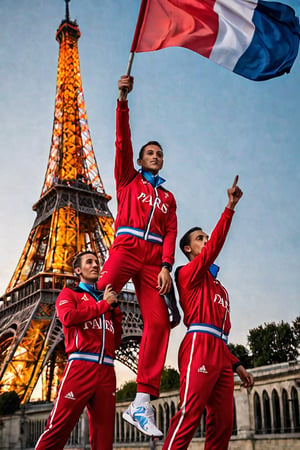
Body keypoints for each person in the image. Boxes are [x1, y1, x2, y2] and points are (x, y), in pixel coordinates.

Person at [96, 75, 178, 438]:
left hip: (151, 262)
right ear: (141, 159)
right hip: (126, 248)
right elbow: (121, 142)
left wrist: (165, 265)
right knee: (98, 291)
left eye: (160, 154)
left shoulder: (168, 198)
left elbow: (172, 231)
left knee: (158, 324)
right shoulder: (127, 179)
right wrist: (122, 101)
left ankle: (141, 401)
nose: (156, 157)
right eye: (151, 153)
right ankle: (92, 353)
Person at [162, 176, 254, 450]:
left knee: (224, 423)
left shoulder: (220, 289)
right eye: (200, 238)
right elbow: (213, 249)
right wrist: (230, 207)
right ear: (188, 249)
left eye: (206, 237)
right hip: (198, 346)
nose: (207, 240)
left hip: (220, 351)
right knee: (189, 414)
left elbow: (219, 332)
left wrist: (236, 364)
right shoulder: (186, 273)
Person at [35, 251, 122, 450]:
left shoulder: (106, 301)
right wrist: (102, 306)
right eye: (89, 262)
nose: (95, 265)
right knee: (58, 428)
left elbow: (115, 342)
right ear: (77, 270)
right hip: (81, 366)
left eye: (97, 262)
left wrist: (115, 312)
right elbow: (68, 318)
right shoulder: (70, 294)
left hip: (107, 372)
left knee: (104, 437)